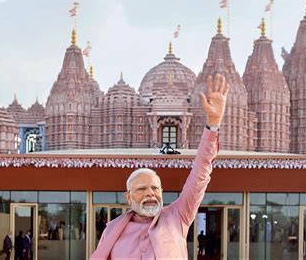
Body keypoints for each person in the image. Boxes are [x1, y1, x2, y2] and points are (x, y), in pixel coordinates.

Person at [91, 74, 229, 259]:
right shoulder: (112, 231)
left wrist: (213, 125)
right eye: (141, 189)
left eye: (154, 188)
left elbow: (200, 173)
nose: (150, 193)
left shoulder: (177, 217)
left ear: (161, 191)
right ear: (128, 197)